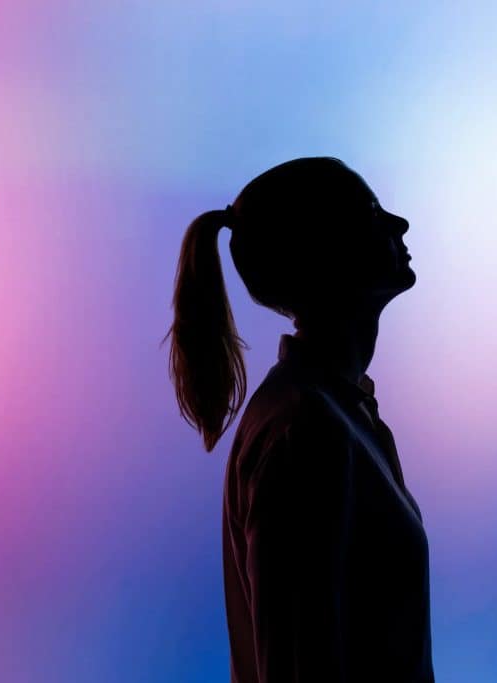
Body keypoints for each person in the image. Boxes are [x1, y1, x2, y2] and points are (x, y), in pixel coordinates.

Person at [166, 157, 434, 682]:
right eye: (371, 213)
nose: (397, 224)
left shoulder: (335, 415)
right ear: (325, 249)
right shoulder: (305, 431)